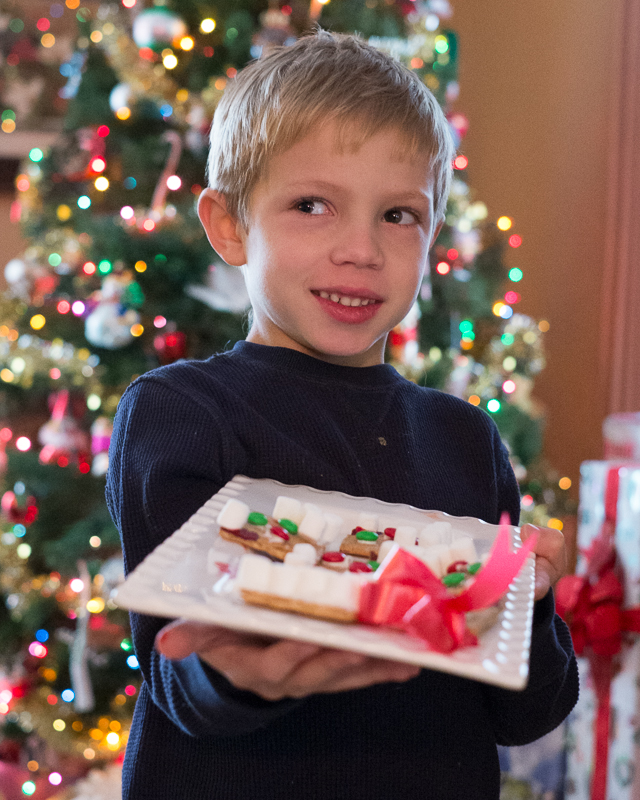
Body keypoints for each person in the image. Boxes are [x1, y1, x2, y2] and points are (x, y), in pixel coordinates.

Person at [106, 31, 578, 800]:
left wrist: (525, 601)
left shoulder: (464, 439)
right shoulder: (182, 412)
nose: (361, 249)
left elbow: (528, 712)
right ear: (229, 226)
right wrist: (238, 674)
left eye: (399, 215)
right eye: (312, 205)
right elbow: (179, 672)